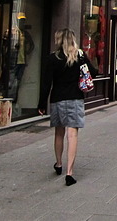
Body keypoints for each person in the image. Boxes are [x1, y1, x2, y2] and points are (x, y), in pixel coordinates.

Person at [38, 28, 98, 186]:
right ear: (72, 40)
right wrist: (84, 61)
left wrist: (41, 104)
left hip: (57, 100)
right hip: (75, 99)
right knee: (72, 136)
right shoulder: (79, 56)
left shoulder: (52, 58)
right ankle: (69, 173)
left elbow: (46, 83)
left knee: (59, 133)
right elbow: (94, 73)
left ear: (58, 40)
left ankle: (58, 164)